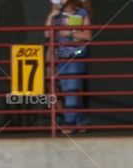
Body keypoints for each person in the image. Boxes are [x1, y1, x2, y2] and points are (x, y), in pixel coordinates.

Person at [45, 0, 91, 132]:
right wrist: (50, 17)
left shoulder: (82, 13)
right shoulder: (57, 16)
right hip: (62, 58)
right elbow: (47, 34)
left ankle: (69, 124)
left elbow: (87, 35)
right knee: (69, 92)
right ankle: (81, 121)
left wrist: (70, 33)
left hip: (76, 57)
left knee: (71, 92)